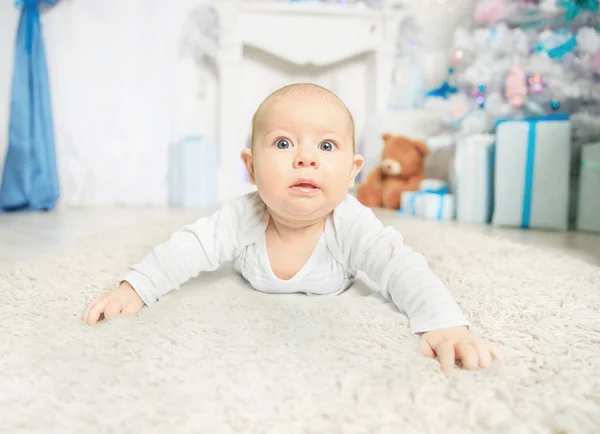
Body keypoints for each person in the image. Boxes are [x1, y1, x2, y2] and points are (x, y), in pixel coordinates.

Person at [82, 83, 502, 374]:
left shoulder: (349, 223)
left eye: (327, 146)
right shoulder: (243, 216)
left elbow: (401, 267)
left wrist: (445, 325)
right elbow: (189, 247)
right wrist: (136, 287)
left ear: (354, 171)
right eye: (283, 143)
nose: (306, 158)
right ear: (251, 167)